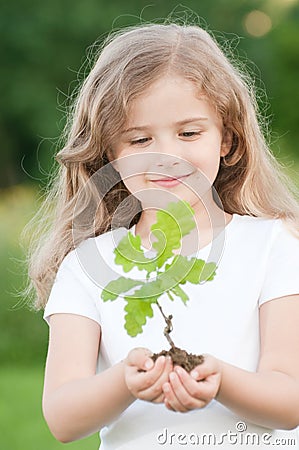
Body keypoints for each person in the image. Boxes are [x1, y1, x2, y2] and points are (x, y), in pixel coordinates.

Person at [27, 22, 299, 449]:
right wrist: (125, 382)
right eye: (139, 139)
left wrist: (221, 381)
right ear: (109, 154)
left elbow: (289, 401)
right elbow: (62, 418)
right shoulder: (84, 266)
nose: (167, 156)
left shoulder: (275, 246)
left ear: (226, 138)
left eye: (189, 133)